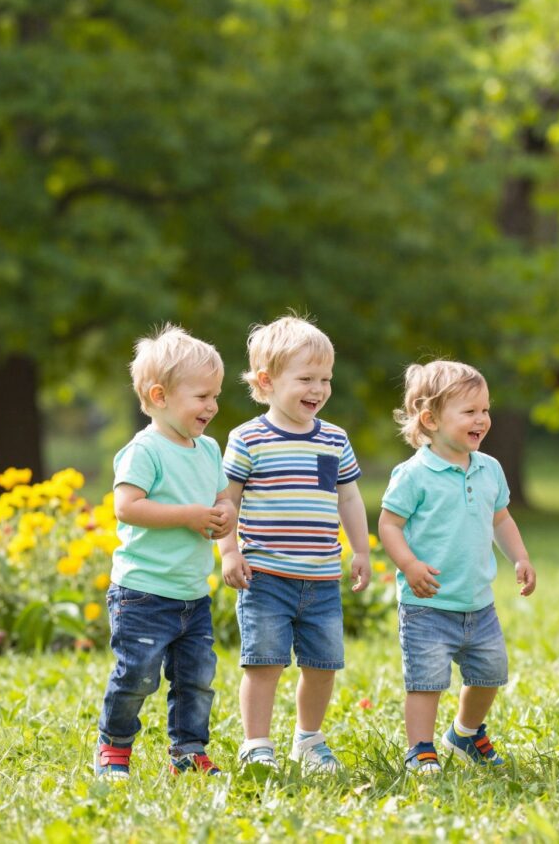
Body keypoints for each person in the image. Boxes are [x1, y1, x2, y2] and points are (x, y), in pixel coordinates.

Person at [217, 315, 371, 773]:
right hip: (265, 576)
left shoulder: (334, 439)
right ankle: (256, 743)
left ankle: (308, 740)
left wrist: (360, 549)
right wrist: (229, 550)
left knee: (322, 665)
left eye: (325, 379)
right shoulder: (247, 439)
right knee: (263, 664)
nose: (318, 389)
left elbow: (349, 496)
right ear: (266, 381)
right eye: (305, 378)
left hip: (321, 577)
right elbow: (226, 501)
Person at [378, 360, 536, 774]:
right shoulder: (414, 474)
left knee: (490, 674)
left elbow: (500, 518)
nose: (482, 419)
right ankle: (421, 748)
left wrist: (519, 557)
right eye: (469, 411)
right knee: (426, 681)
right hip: (427, 604)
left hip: (478, 601)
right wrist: (409, 565)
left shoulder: (489, 469)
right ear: (430, 419)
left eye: (485, 409)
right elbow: (389, 524)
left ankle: (464, 733)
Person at [94, 325, 235, 780]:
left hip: (193, 594)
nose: (212, 406)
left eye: (215, 395)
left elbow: (218, 500)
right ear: (159, 395)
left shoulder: (209, 449)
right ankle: (114, 747)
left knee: (196, 681)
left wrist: (223, 513)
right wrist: (190, 515)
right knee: (137, 677)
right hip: (143, 593)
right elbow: (127, 507)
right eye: (201, 396)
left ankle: (188, 750)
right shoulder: (144, 450)